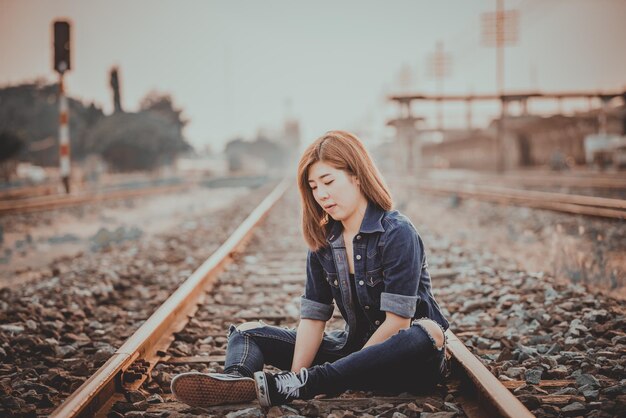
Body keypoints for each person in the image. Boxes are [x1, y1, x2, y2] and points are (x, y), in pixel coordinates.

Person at [171, 130, 450, 408]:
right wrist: (294, 375)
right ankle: (236, 383)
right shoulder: (324, 240)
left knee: (426, 332)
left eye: (328, 181)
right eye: (314, 187)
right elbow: (314, 318)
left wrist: (335, 375)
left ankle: (309, 383)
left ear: (357, 175)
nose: (322, 194)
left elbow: (397, 323)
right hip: (350, 353)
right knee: (246, 332)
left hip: (403, 362)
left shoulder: (396, 232)